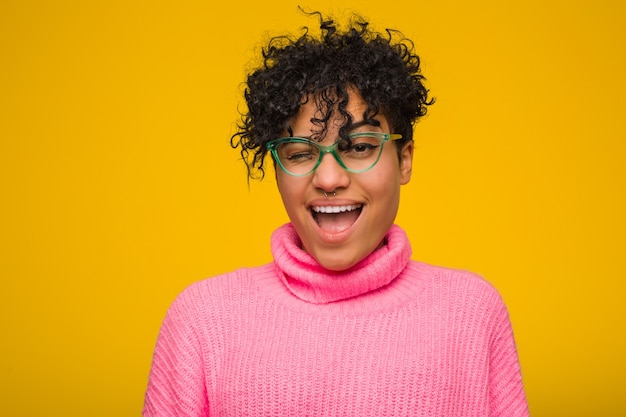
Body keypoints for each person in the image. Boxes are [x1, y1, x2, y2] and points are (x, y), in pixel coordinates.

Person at [143, 10, 529, 417]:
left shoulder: (472, 314)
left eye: (359, 147)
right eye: (300, 153)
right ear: (276, 170)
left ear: (404, 160)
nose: (328, 177)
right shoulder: (202, 322)